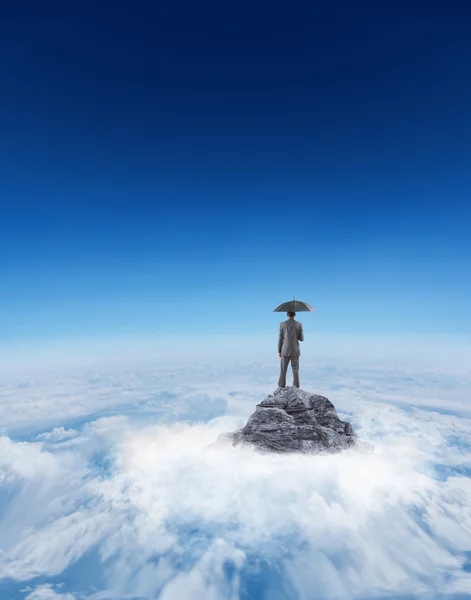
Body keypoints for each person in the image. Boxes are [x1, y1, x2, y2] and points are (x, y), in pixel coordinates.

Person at [278, 311, 304, 388]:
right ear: (295, 315)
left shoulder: (282, 324)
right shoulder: (299, 324)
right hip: (295, 350)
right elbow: (301, 339)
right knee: (295, 370)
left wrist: (279, 350)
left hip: (284, 350)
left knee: (283, 370)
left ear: (287, 314)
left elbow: (280, 339)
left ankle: (281, 386)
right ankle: (296, 386)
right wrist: (300, 332)